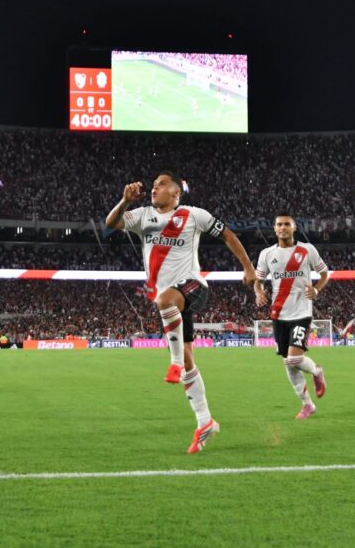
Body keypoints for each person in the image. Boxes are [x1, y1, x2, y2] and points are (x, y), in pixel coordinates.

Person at [106, 173, 256, 454]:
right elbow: (111, 223)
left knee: (165, 302)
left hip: (193, 286)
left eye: (161, 185)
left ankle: (173, 363)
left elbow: (227, 234)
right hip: (170, 302)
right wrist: (125, 201)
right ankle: (205, 421)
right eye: (153, 185)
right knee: (189, 360)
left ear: (175, 193)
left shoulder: (194, 215)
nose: (154, 188)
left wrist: (248, 267)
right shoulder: (143, 216)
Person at [253, 212, 330, 419]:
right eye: (279, 224)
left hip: (301, 312)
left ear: (294, 227)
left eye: (287, 224)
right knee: (289, 362)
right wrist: (259, 293)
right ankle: (308, 405)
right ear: (274, 228)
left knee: (293, 359)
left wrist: (316, 289)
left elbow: (324, 274)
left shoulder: (307, 250)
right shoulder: (266, 254)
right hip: (279, 314)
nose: (283, 228)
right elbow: (258, 281)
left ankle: (316, 371)